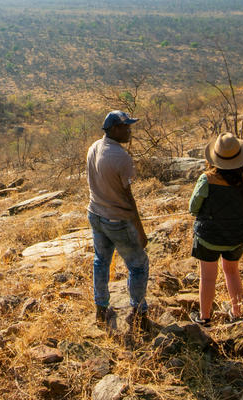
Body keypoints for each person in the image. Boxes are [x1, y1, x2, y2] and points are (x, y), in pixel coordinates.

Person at [87, 110, 149, 326]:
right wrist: (140, 231)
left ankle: (101, 308)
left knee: (101, 261)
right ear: (114, 129)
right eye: (125, 127)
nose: (129, 130)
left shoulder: (94, 147)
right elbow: (128, 199)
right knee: (138, 265)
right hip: (117, 219)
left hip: (95, 213)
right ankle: (139, 313)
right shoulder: (122, 157)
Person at [189, 132, 243, 325]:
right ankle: (238, 314)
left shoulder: (207, 179)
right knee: (232, 272)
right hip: (238, 234)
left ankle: (205, 318)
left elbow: (193, 208)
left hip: (209, 236)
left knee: (208, 277)